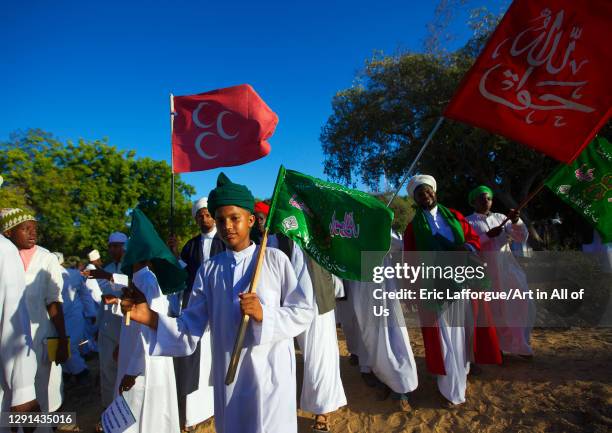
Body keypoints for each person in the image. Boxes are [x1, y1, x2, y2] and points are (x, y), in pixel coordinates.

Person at [122, 173, 314, 433]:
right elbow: (190, 326)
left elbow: (303, 311)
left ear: (251, 219)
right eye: (221, 220)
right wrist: (151, 318)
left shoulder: (274, 260)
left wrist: (264, 315)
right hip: (230, 376)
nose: (228, 226)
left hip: (271, 374)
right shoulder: (209, 270)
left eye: (235, 218)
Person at [402, 175, 501, 406]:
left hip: (462, 282)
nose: (424, 196)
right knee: (445, 335)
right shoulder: (412, 229)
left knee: (463, 332)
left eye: (427, 191)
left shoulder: (455, 217)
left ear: (434, 193)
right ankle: (450, 390)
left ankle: (461, 371)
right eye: (419, 194)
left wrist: (463, 248)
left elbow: (473, 240)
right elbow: (409, 260)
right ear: (415, 199)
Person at [256, 203, 346, 431]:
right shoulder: (269, 242)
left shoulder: (315, 235)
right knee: (278, 358)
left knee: (319, 357)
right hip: (282, 308)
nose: (260, 222)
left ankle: (321, 411)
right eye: (256, 218)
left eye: (262, 217)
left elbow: (332, 263)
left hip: (316, 302)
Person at [1, 208, 67, 413]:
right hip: (6, 343)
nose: (32, 233)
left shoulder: (46, 259)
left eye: (34, 228)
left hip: (38, 341)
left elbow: (54, 301)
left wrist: (62, 339)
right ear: (8, 232)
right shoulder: (5, 255)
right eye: (25, 228)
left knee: (38, 396)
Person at [168, 197, 224, 431]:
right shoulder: (189, 246)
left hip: (221, 310)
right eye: (199, 215)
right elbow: (179, 275)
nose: (204, 218)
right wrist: (171, 254)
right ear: (196, 219)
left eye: (207, 214)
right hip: (195, 310)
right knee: (194, 362)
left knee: (216, 361)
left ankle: (216, 408)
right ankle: (192, 415)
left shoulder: (225, 242)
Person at [466, 185, 534, 357]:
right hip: (486, 271)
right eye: (481, 198)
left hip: (508, 268)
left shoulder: (501, 217)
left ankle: (520, 344)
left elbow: (521, 237)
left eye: (488, 198)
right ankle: (497, 347)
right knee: (494, 310)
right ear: (473, 202)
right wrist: (487, 236)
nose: (485, 201)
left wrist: (516, 221)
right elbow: (468, 247)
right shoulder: (468, 222)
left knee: (520, 301)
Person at [112, 263, 180, 433]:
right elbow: (131, 323)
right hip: (131, 353)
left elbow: (150, 329)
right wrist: (122, 344)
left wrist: (134, 368)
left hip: (146, 360)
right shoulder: (135, 280)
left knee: (149, 412)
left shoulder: (149, 281)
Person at [83, 233, 129, 430]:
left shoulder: (131, 268)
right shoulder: (107, 269)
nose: (114, 250)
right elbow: (102, 303)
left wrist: (107, 278)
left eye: (118, 246)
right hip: (107, 328)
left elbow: (131, 288)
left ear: (125, 247)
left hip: (126, 327)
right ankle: (109, 412)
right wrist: (97, 327)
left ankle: (126, 415)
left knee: (125, 371)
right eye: (111, 246)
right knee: (107, 369)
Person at [0, 227, 40, 433]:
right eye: (26, 229)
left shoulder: (4, 251)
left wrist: (23, 391)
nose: (32, 233)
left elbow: (13, 325)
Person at [53, 252, 89, 382]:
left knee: (70, 346)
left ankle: (82, 372)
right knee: (59, 346)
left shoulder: (73, 274)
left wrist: (91, 313)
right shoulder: (48, 275)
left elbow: (85, 294)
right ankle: (67, 373)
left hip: (73, 317)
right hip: (56, 317)